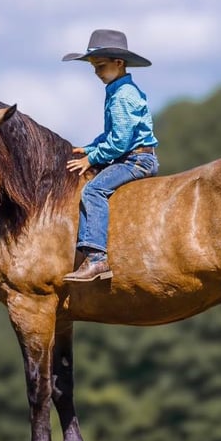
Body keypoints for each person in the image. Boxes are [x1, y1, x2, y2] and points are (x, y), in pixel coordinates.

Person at [61, 29, 159, 282]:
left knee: (93, 191)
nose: (97, 72)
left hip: (136, 161)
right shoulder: (118, 89)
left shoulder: (122, 96)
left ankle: (96, 258)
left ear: (119, 63)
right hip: (131, 156)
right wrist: (91, 147)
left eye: (101, 66)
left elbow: (120, 142)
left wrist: (90, 159)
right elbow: (112, 135)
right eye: (94, 67)